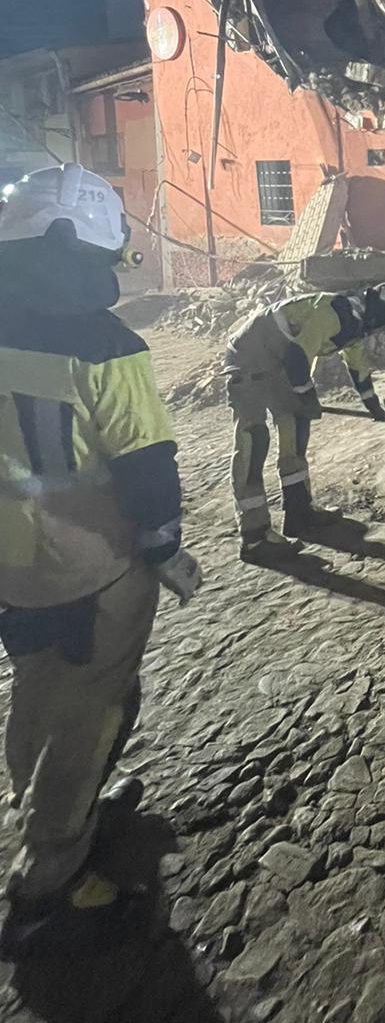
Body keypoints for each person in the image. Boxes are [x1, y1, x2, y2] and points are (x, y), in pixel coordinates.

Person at [0, 164, 202, 955]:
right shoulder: (106, 345)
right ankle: (50, 877)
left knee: (40, 688)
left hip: (11, 566)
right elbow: (146, 461)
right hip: (85, 563)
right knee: (94, 707)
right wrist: (165, 546)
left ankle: (51, 807)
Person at [224, 284, 385, 561]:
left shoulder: (355, 327)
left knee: (296, 428)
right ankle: (255, 538)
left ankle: (299, 514)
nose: (383, 332)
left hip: (277, 365)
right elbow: (296, 356)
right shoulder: (333, 314)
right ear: (379, 315)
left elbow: (359, 371)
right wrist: (307, 395)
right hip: (247, 360)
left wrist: (375, 408)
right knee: (254, 440)